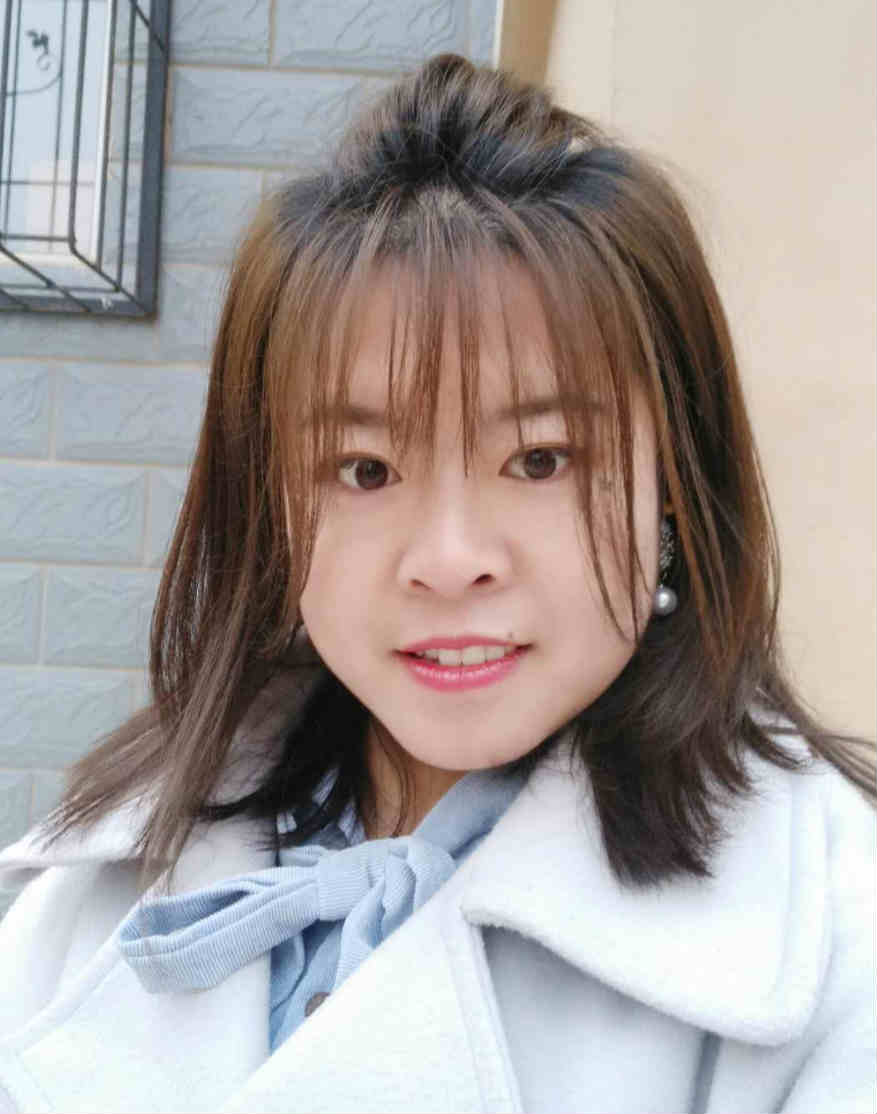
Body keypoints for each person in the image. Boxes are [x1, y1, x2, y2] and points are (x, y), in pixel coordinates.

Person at [0, 53, 873, 1114]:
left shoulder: (832, 943)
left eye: (540, 459)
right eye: (364, 470)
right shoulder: (104, 875)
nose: (450, 557)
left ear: (675, 487)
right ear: (271, 502)